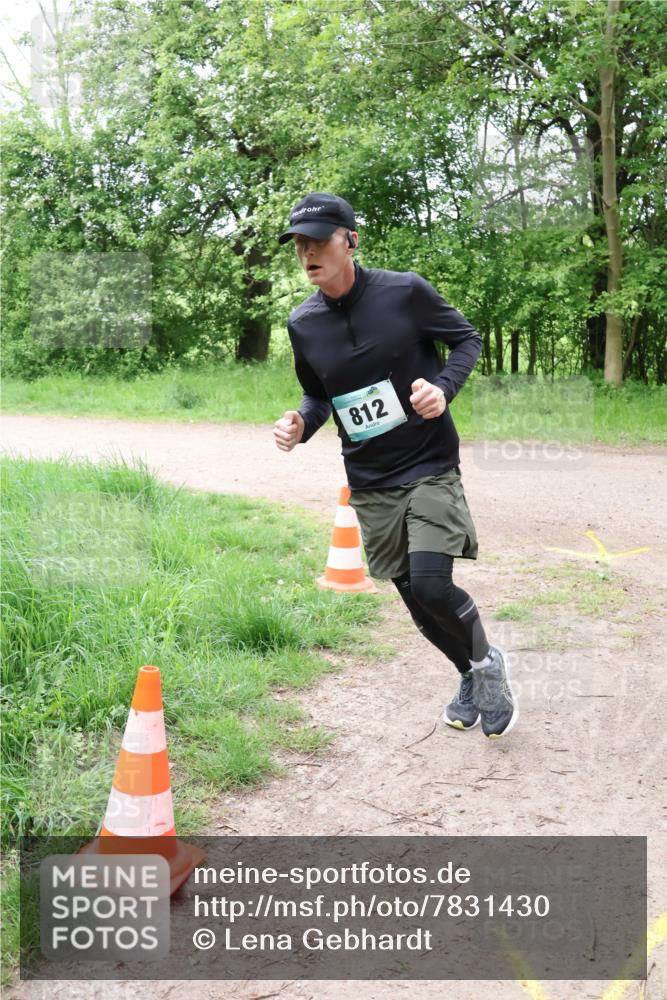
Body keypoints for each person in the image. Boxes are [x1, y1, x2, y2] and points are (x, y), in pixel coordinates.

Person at [273, 192, 519, 739]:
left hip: (429, 463)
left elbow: (466, 340)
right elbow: (318, 398)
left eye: (318, 240)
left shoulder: (405, 292)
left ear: (350, 241)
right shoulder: (303, 324)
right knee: (416, 605)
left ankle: (486, 666)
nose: (307, 252)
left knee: (434, 586)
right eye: (299, 244)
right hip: (370, 480)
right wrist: (299, 424)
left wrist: (443, 389)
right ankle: (467, 672)